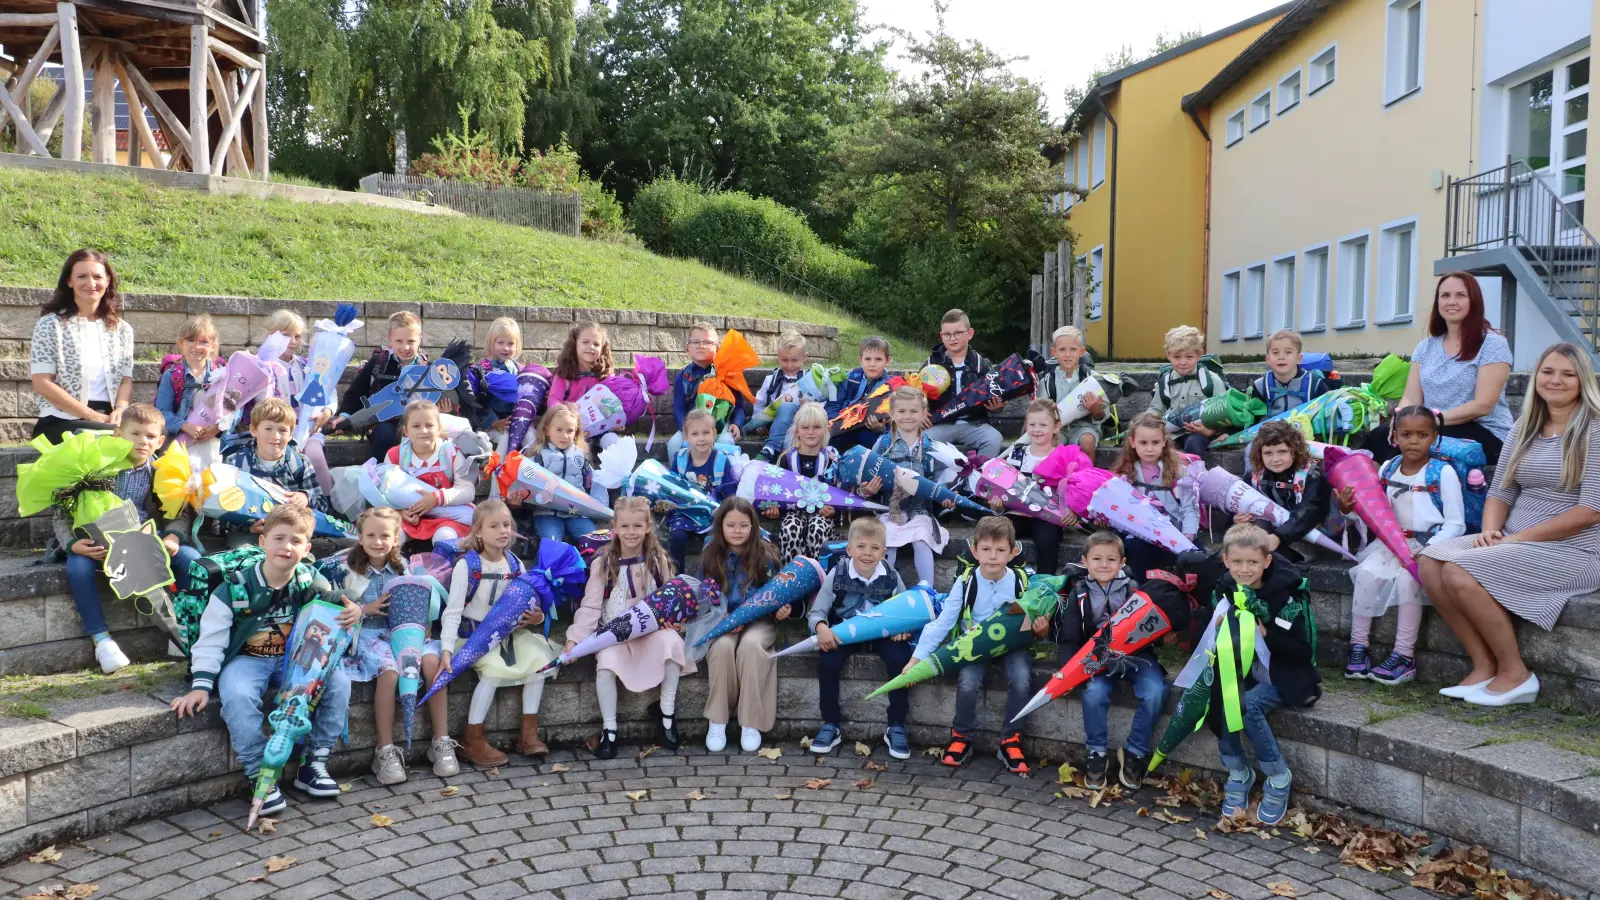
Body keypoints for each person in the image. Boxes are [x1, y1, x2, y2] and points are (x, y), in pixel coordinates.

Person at [1419, 342, 1600, 706]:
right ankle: (1484, 665)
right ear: (1537, 378)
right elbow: (1501, 489)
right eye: (1548, 371)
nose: (1556, 380)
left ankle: (1516, 674)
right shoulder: (1526, 427)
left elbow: (1591, 511)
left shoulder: (1595, 431)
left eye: (1568, 374)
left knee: (1458, 571)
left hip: (1576, 549)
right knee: (1429, 560)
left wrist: (1516, 541)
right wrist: (1490, 531)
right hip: (1516, 539)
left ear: (1583, 381)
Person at [169, 505, 357, 818]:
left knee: (338, 683)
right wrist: (201, 684)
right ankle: (260, 776)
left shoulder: (309, 579)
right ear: (263, 542)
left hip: (294, 659)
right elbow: (211, 638)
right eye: (279, 538)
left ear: (307, 549)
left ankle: (313, 763)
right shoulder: (235, 588)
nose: (287, 546)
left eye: (296, 541)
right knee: (238, 695)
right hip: (247, 658)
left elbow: (338, 602)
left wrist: (356, 609)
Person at [57, 403, 202, 672]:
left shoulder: (160, 472)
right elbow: (62, 511)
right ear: (118, 435)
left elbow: (178, 511)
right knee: (78, 566)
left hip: (146, 537)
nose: (142, 442)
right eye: (135, 434)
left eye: (150, 436)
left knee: (191, 559)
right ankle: (101, 640)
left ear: (160, 441)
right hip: (97, 541)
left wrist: (172, 536)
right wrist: (72, 543)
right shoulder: (96, 467)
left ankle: (185, 629)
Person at [321, 508, 456, 783]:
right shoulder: (347, 570)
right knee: (390, 671)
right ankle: (384, 749)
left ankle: (440, 741)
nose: (378, 541)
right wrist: (363, 609)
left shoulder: (403, 568)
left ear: (396, 539)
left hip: (404, 633)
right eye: (370, 535)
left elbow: (420, 603)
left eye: (385, 535)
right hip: (369, 637)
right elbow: (333, 606)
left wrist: (423, 620)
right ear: (359, 537)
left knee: (432, 664)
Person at [1340, 407, 1464, 685]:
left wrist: (1430, 547)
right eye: (1406, 434)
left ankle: (1403, 656)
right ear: (1394, 436)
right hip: (1390, 544)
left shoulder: (1442, 472)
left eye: (1422, 435)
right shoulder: (1388, 468)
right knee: (1366, 575)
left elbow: (1456, 523)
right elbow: (1373, 511)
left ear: (1434, 437)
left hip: (1428, 547)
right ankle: (1358, 646)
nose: (1413, 441)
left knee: (1409, 582)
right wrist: (1347, 509)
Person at [1209, 524, 1320, 826]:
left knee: (1246, 706)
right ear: (1226, 561)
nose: (1244, 570)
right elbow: (1203, 637)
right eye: (1237, 563)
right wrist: (1216, 628)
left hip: (1282, 675)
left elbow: (1300, 651)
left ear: (1267, 561)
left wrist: (1266, 632)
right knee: (1218, 697)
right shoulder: (1224, 588)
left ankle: (1278, 775)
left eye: (1253, 563)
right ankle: (1238, 771)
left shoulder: (1286, 597)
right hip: (1243, 670)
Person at [913, 516, 1042, 775]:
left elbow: (1039, 618)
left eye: (1000, 550)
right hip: (975, 644)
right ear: (974, 550)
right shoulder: (966, 582)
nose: (993, 556)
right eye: (986, 549)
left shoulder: (1023, 581)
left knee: (1020, 678)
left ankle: (1010, 740)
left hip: (1013, 643)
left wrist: (1041, 628)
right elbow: (942, 623)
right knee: (968, 680)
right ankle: (961, 736)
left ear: (1013, 552)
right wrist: (916, 660)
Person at [566, 497, 690, 759]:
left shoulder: (657, 561)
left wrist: (674, 621)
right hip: (615, 636)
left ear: (647, 527)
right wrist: (574, 640)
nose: (631, 532)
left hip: (650, 633)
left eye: (637, 526)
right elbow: (590, 607)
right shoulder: (604, 563)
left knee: (673, 644)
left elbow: (669, 597)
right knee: (607, 662)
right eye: (625, 526)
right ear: (615, 527)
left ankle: (666, 713)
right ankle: (609, 729)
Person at [439, 499, 557, 765]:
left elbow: (530, 602)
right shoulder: (467, 565)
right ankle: (473, 738)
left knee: (539, 664)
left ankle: (528, 733)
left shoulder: (515, 565)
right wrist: (446, 650)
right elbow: (453, 611)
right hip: (473, 638)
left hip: (510, 635)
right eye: (494, 526)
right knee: (492, 671)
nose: (503, 530)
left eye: (506, 525)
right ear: (478, 532)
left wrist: (536, 617)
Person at [1364, 273, 1513, 466]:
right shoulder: (1425, 347)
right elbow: (1411, 398)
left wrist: (1431, 420)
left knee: (1414, 445)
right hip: (1430, 426)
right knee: (1380, 436)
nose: (1452, 301)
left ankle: (1393, 492)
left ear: (1474, 301)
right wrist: (1402, 417)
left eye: (1460, 295)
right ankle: (1361, 491)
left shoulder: (1492, 344)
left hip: (1485, 431)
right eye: (1445, 295)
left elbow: (1483, 405)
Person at [1059, 531, 1165, 790]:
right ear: (1084, 561)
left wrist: (1159, 638)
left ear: (1122, 562)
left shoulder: (1134, 589)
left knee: (1155, 691)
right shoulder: (1080, 593)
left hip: (1136, 656)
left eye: (1111, 559)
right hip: (1097, 658)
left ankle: (1135, 750)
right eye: (1097, 559)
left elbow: (1149, 627)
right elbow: (1070, 637)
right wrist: (1066, 670)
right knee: (1094, 693)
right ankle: (1097, 753)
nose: (1104, 565)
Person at [807, 517, 913, 760]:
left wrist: (904, 628)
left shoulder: (891, 576)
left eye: (875, 548)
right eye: (862, 547)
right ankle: (830, 724)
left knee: (900, 660)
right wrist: (822, 627)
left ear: (884, 552)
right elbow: (817, 612)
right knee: (828, 662)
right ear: (850, 549)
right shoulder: (838, 574)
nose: (868, 553)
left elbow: (907, 610)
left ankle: (896, 725)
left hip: (882, 630)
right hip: (845, 629)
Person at [700, 498, 786, 753]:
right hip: (722, 620)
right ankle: (718, 719)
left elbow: (778, 594)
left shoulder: (766, 555)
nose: (737, 531)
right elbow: (701, 597)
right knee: (722, 649)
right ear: (720, 526)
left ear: (753, 526)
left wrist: (782, 611)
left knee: (750, 646)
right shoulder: (710, 556)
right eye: (731, 525)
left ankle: (751, 721)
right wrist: (722, 617)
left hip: (759, 621)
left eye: (744, 525)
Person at [29, 249, 136, 443]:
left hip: (108, 420)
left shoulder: (123, 330)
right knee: (113, 440)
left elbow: (125, 382)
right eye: (82, 276)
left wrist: (120, 411)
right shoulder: (50, 325)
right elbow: (41, 383)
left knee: (146, 438)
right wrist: (90, 415)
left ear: (108, 281)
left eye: (97, 276)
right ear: (69, 281)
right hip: (61, 420)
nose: (91, 283)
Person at [872, 386, 955, 587]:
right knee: (888, 539)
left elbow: (940, 482)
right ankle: (883, 590)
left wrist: (944, 499)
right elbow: (870, 475)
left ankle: (927, 591)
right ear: (891, 413)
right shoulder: (882, 445)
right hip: (891, 509)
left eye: (913, 411)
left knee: (921, 539)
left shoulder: (932, 447)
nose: (907, 416)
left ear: (924, 414)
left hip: (921, 511)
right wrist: (868, 488)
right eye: (901, 411)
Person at [989, 399, 1079, 576]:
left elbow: (1074, 491)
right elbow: (1004, 486)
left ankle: (1045, 584)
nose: (1037, 429)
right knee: (998, 532)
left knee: (1047, 539)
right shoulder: (1017, 453)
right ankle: (1005, 579)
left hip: (1046, 516)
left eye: (1043, 425)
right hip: (1017, 513)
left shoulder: (1062, 455)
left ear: (1056, 427)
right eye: (1032, 424)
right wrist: (997, 504)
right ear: (1026, 426)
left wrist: (1073, 510)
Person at [220, 399, 328, 546]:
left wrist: (306, 497)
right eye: (268, 429)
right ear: (254, 430)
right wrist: (249, 528)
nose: (275, 436)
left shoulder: (299, 463)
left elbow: (322, 506)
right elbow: (223, 511)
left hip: (290, 536)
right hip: (248, 536)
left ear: (291, 434)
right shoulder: (236, 463)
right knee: (245, 556)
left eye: (282, 430)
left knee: (303, 564)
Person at [330, 310, 427, 461]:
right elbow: (357, 392)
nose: (405, 347)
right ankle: (381, 474)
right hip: (382, 422)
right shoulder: (379, 363)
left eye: (411, 341)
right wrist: (345, 416)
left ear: (419, 339)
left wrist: (446, 407)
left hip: (416, 421)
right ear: (390, 339)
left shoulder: (426, 367)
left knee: (425, 435)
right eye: (399, 341)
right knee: (385, 434)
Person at [1112, 411, 1199, 579]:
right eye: (1143, 443)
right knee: (1134, 547)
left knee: (1195, 556)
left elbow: (1189, 507)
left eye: (1155, 442)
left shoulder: (1178, 470)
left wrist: (1188, 534)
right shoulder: (1125, 472)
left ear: (1164, 441)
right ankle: (1141, 591)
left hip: (1174, 527)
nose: (1149, 449)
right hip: (1139, 531)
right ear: (1132, 442)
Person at [510, 403, 608, 545]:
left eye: (570, 431)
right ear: (547, 430)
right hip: (547, 513)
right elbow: (525, 486)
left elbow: (594, 484)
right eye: (559, 430)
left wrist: (599, 506)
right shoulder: (537, 458)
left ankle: (590, 566)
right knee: (552, 541)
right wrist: (516, 503)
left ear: (576, 433)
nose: (564, 435)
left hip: (577, 513)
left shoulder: (581, 457)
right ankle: (548, 567)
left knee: (592, 540)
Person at [759, 401, 843, 565]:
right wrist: (771, 508)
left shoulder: (832, 459)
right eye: (805, 428)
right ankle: (792, 577)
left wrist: (834, 510)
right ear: (797, 431)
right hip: (792, 512)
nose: (811, 432)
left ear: (826, 429)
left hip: (822, 515)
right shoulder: (786, 458)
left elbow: (842, 493)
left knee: (818, 527)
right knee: (791, 528)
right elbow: (774, 491)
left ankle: (820, 577)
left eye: (816, 427)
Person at [386, 399, 476, 548]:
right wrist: (400, 512)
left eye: (429, 425)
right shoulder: (396, 455)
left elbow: (467, 491)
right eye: (416, 426)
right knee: (392, 536)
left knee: (445, 537)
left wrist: (435, 499)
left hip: (447, 516)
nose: (423, 431)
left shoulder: (452, 453)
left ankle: (446, 570)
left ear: (439, 428)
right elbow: (385, 491)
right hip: (411, 516)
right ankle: (396, 568)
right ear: (406, 431)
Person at [1242, 422, 1332, 561]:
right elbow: (1241, 504)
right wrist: (1235, 517)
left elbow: (1309, 511)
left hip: (1302, 536)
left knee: (1258, 550)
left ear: (1294, 451)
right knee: (1252, 535)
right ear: (1260, 454)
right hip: (1265, 532)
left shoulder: (1312, 475)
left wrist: (1279, 536)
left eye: (1282, 452)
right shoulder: (1254, 476)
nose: (1275, 459)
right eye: (1268, 453)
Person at [664, 409, 738, 572]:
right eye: (695, 434)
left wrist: (724, 508)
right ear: (686, 436)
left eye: (706, 432)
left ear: (714, 434)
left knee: (714, 541)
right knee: (677, 536)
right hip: (685, 511)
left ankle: (712, 579)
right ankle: (677, 578)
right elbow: (672, 487)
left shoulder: (722, 460)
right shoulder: (681, 458)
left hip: (713, 513)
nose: (701, 438)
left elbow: (731, 491)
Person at [923, 309, 1004, 458]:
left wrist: (997, 408)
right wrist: (920, 411)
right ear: (941, 336)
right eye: (947, 334)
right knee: (922, 441)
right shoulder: (930, 364)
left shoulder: (981, 364)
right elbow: (915, 394)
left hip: (974, 424)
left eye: (958, 333)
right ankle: (937, 479)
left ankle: (980, 476)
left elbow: (995, 393)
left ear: (970, 333)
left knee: (993, 438)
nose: (952, 338)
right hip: (941, 424)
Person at [669, 322, 746, 457]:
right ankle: (678, 476)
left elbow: (738, 405)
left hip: (720, 425)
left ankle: (724, 476)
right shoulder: (684, 376)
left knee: (725, 442)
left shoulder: (727, 372)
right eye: (695, 342)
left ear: (718, 348)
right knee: (674, 443)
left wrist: (736, 423)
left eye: (708, 342)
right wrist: (685, 429)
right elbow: (679, 408)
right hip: (693, 424)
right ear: (687, 348)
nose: (701, 346)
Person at [1148, 325, 1226, 457]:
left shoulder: (1211, 380)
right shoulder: (1164, 381)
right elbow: (1156, 408)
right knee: (1154, 447)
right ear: (1168, 355)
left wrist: (1211, 430)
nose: (1183, 362)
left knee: (1194, 445)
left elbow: (1224, 409)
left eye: (1189, 357)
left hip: (1199, 433)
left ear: (1199, 355)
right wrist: (1150, 423)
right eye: (1177, 357)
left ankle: (1195, 476)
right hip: (1171, 434)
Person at [1034, 325, 1110, 456]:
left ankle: (1085, 475)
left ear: (1081, 351)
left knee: (1087, 441)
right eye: (1062, 349)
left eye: (1073, 349)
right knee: (1049, 441)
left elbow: (1102, 415)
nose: (1067, 355)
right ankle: (1052, 475)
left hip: (1085, 427)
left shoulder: (1093, 379)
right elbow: (1039, 413)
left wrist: (1096, 409)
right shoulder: (1047, 382)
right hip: (1057, 429)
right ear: (1054, 352)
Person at [154, 314, 223, 444]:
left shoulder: (221, 374)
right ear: (181, 343)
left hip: (212, 443)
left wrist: (219, 427)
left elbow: (234, 407)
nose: (197, 346)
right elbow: (162, 411)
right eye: (191, 340)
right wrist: (184, 426)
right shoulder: (172, 376)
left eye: (204, 342)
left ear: (213, 345)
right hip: (180, 441)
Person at [827, 336, 897, 451]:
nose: (872, 364)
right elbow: (834, 403)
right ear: (860, 360)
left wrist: (881, 428)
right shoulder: (850, 378)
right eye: (868, 359)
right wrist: (833, 422)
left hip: (869, 430)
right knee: (830, 440)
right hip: (842, 426)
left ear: (887, 361)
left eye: (878, 359)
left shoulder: (890, 386)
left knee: (873, 440)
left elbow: (894, 418)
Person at [470, 317, 527, 452]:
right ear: (491, 343)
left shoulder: (519, 369)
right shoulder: (481, 369)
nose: (506, 348)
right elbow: (475, 401)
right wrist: (492, 422)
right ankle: (498, 472)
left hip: (517, 419)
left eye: (511, 343)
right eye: (500, 342)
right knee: (504, 437)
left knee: (531, 435)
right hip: (491, 424)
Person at [752, 332, 810, 463]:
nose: (789, 365)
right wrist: (758, 423)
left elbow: (819, 405)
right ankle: (775, 452)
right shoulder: (771, 380)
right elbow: (760, 402)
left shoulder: (809, 380)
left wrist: (808, 406)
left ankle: (770, 449)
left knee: (788, 407)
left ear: (804, 357)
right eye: (784, 360)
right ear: (778, 357)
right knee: (784, 407)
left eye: (794, 360)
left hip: (800, 426)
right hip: (773, 426)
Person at [1250, 329, 1333, 419]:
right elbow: (1254, 421)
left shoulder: (1315, 384)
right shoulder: (1260, 386)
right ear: (1268, 359)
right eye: (1275, 352)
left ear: (1299, 358)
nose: (1281, 357)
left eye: (1288, 352)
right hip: (1270, 431)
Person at [546, 321, 612, 407]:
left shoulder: (605, 375)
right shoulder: (564, 373)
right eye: (585, 342)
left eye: (596, 344)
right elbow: (554, 398)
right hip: (569, 417)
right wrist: (563, 411)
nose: (591, 347)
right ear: (575, 345)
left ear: (602, 349)